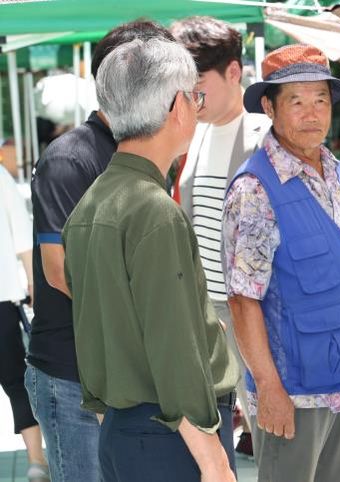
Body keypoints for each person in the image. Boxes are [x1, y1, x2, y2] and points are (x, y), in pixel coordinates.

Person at [62, 37, 239, 482]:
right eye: (195, 97)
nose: (197, 108)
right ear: (178, 106)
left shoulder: (91, 204)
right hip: (173, 437)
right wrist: (214, 462)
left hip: (124, 429)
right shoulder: (154, 210)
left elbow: (91, 333)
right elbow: (175, 348)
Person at [222, 44, 340, 482]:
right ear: (269, 107)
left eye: (320, 100)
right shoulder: (255, 189)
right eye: (296, 101)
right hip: (294, 391)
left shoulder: (337, 171)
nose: (312, 113)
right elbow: (243, 300)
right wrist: (268, 387)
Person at [26, 20, 174, 482]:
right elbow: (59, 271)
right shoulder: (70, 158)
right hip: (73, 374)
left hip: (131, 372)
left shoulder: (147, 154)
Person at [170, 15, 270, 458]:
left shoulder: (264, 137)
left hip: (253, 311)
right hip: (204, 309)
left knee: (270, 432)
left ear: (234, 72)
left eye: (199, 86)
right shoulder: (193, 134)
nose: (192, 98)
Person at [0, 164, 50, 482]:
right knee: (16, 381)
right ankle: (36, 461)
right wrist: (33, 282)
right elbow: (21, 233)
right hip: (2, 297)